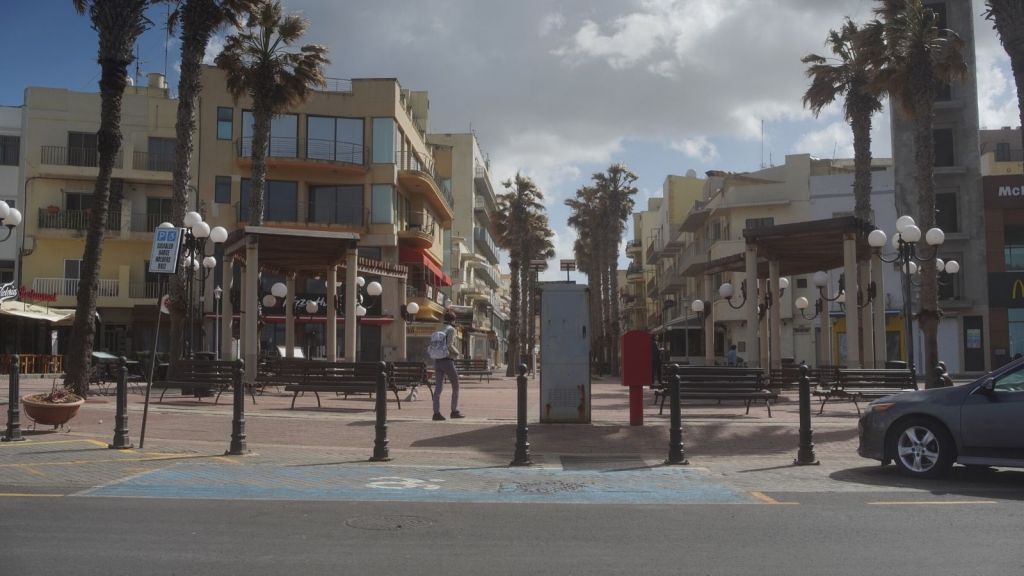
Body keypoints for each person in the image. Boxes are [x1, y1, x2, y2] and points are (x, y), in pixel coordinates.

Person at [428, 310, 463, 421]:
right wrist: (457, 353)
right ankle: (454, 411)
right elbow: (449, 345)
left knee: (438, 388)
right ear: (453, 320)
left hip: (437, 360)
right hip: (447, 360)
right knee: (455, 385)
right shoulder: (451, 329)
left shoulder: (438, 328)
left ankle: (436, 413)